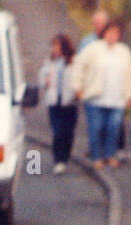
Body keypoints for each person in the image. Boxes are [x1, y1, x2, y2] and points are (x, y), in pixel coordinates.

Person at [73, 18, 131, 169]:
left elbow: (130, 75)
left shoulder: (124, 51)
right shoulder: (93, 48)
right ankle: (96, 157)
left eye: (116, 33)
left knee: (113, 128)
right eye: (110, 32)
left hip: (116, 99)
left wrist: (130, 94)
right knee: (96, 128)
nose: (112, 36)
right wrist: (78, 87)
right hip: (96, 98)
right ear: (104, 33)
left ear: (119, 35)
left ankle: (110, 155)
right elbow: (79, 66)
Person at [39, 34, 80, 175]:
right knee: (57, 132)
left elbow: (78, 78)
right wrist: (45, 81)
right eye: (53, 46)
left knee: (68, 132)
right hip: (54, 102)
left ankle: (65, 157)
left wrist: (77, 91)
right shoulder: (50, 62)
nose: (54, 49)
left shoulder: (73, 61)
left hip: (69, 102)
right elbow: (42, 78)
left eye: (57, 46)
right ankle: (58, 160)